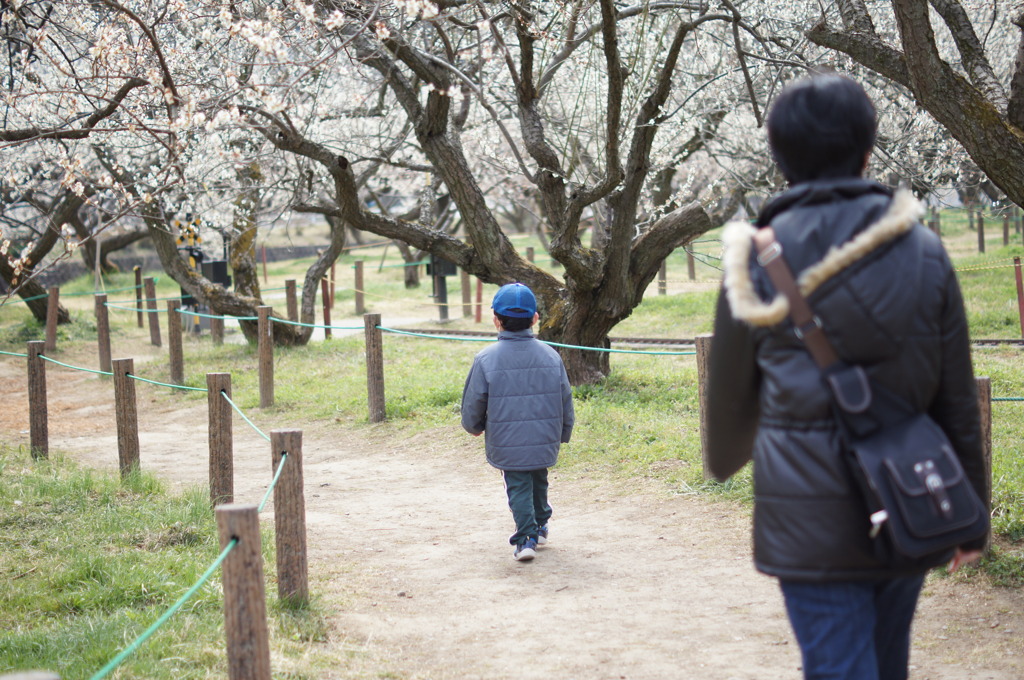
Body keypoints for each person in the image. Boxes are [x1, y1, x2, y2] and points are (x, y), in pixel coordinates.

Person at [706, 73, 988, 680]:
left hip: (804, 510)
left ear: (778, 158)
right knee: (888, 665)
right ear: (866, 151)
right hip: (908, 494)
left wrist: (724, 459)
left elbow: (729, 400)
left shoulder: (754, 259)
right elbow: (956, 396)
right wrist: (971, 512)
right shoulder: (924, 250)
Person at [461, 282, 575, 562]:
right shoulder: (551, 355)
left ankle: (526, 537)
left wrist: (473, 426)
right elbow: (565, 398)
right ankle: (541, 523)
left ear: (496, 320)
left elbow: (475, 399)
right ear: (535, 318)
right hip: (544, 435)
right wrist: (564, 431)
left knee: (519, 484)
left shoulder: (486, 358)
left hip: (507, 438)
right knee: (538, 476)